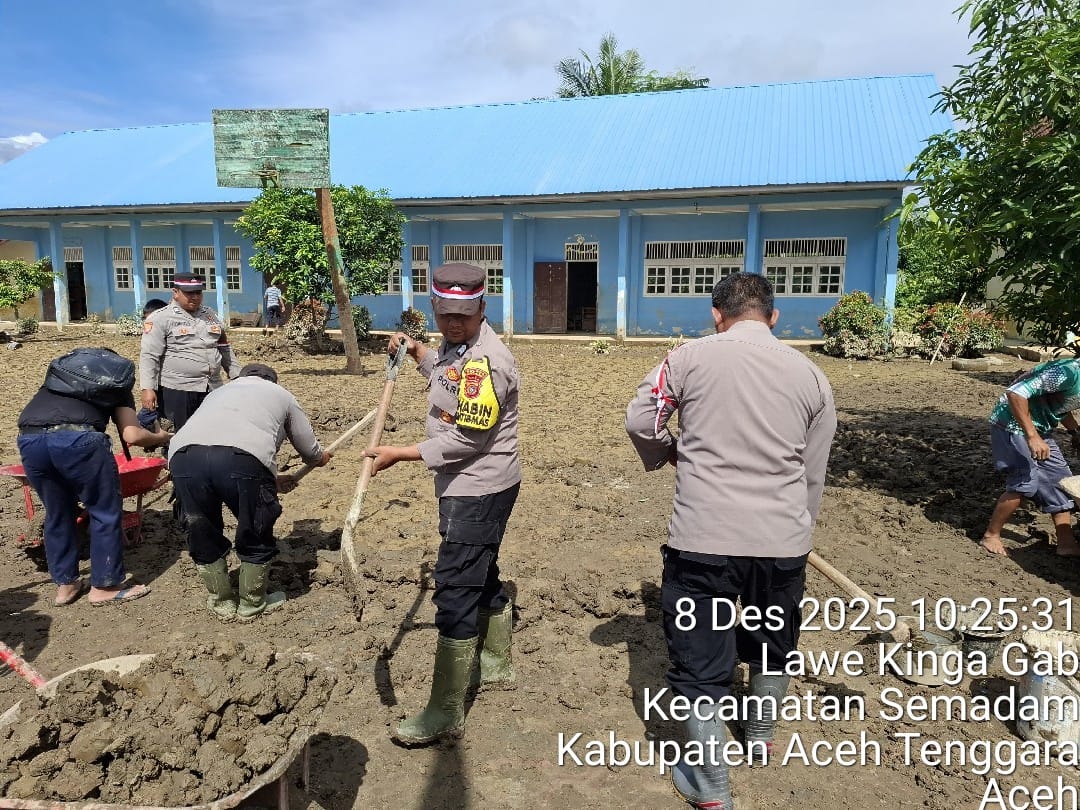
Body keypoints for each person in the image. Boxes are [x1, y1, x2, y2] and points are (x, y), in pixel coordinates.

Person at [625, 273, 836, 809]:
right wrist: (798, 529)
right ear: (774, 317)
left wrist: (670, 452)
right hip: (782, 542)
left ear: (716, 315)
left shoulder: (687, 359)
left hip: (703, 539)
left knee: (700, 658)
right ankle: (760, 738)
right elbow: (813, 470)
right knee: (773, 639)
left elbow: (642, 417)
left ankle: (708, 783)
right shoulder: (811, 376)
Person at [366, 261, 521, 746]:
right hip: (475, 484)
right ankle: (495, 663)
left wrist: (402, 453)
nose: (455, 323)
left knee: (454, 589)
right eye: (446, 313)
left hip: (476, 484)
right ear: (434, 305)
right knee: (483, 567)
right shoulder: (459, 347)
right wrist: (417, 352)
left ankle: (445, 710)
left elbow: (470, 437)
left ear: (482, 307)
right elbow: (447, 375)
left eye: (465, 314)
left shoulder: (488, 360)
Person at [167, 363, 331, 620]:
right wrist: (321, 458)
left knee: (201, 527)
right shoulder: (282, 395)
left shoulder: (218, 392)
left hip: (184, 458)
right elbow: (309, 450)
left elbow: (216, 444)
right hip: (244, 460)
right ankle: (252, 603)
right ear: (272, 381)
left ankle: (222, 601)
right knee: (255, 526)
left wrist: (270, 479)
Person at [17, 350, 171, 607]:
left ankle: (66, 585)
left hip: (30, 440)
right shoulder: (116, 383)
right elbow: (132, 435)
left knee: (58, 512)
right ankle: (105, 587)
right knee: (104, 511)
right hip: (80, 441)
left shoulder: (58, 378)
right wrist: (161, 438)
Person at [981, 358, 1080, 557]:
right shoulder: (1067, 373)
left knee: (1060, 480)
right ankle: (991, 535)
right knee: (1024, 480)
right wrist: (1032, 437)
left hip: (1039, 427)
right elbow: (1016, 393)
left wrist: (1075, 431)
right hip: (1011, 425)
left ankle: (1065, 541)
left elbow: (1059, 405)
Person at [139, 273, 239, 434]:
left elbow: (224, 347)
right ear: (175, 292)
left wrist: (237, 376)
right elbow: (149, 356)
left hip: (212, 386)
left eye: (198, 293)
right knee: (180, 434)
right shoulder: (160, 318)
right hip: (179, 389)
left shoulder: (209, 315)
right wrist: (147, 388)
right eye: (189, 293)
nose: (194, 297)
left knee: (213, 431)